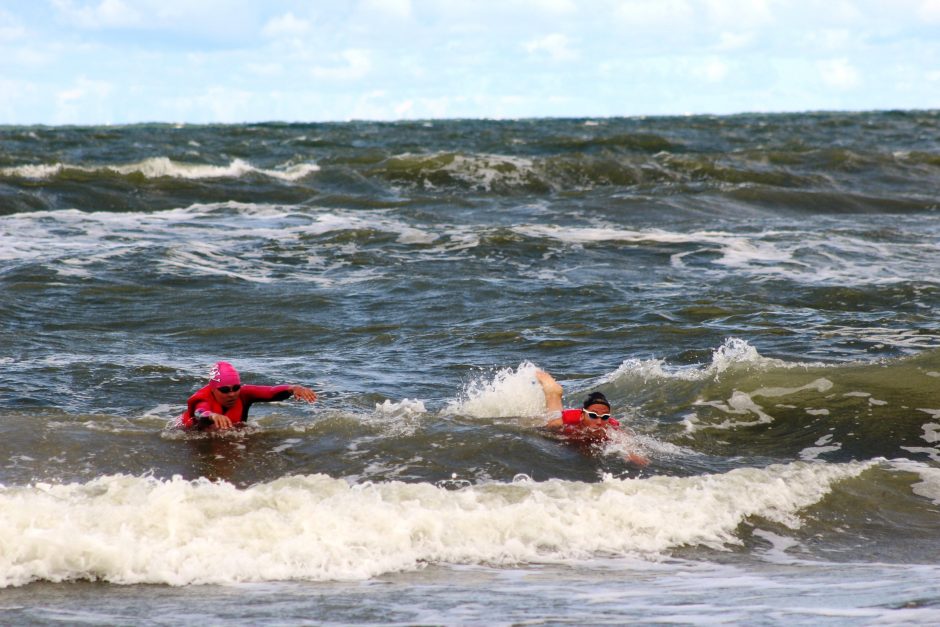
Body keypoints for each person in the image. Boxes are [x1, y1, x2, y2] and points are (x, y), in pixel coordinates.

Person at [535, 369, 648, 465]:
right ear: (583, 415)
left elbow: (625, 440)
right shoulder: (572, 419)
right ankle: (553, 390)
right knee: (553, 403)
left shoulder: (610, 426)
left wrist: (632, 454)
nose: (599, 422)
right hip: (565, 418)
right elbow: (549, 428)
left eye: (604, 417)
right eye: (593, 415)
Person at [177, 361, 318, 431]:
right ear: (213, 389)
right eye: (225, 390)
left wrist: (293, 388)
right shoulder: (203, 398)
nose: (232, 394)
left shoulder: (244, 395)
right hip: (188, 433)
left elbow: (270, 392)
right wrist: (213, 416)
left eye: (236, 388)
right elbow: (199, 412)